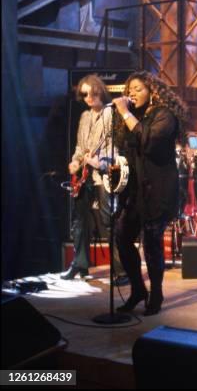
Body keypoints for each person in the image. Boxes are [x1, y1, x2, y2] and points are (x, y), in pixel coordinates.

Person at [112, 71, 189, 316]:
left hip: (159, 188)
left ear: (152, 92)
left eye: (137, 88)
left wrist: (125, 113)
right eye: (129, 89)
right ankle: (138, 290)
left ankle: (156, 293)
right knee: (122, 236)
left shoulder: (165, 116)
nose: (131, 93)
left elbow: (148, 141)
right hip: (135, 190)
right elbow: (127, 146)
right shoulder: (134, 116)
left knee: (152, 242)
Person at [62, 74, 128, 285]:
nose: (88, 98)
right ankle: (80, 264)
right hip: (83, 176)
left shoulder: (111, 114)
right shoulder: (84, 117)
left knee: (109, 222)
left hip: (103, 175)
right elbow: (81, 148)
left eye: (91, 93)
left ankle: (121, 270)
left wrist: (100, 163)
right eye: (84, 94)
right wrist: (75, 162)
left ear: (99, 91)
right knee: (79, 221)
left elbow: (116, 147)